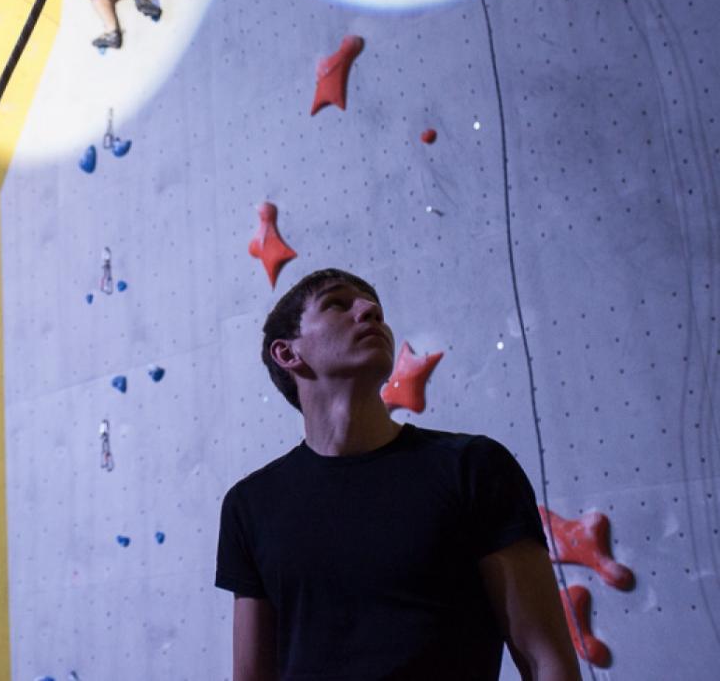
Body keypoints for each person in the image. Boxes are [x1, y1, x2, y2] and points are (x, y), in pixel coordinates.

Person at [216, 268, 580, 681]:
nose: (370, 310)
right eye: (338, 303)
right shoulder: (250, 505)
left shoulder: (473, 467)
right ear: (287, 353)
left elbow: (546, 661)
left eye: (375, 306)